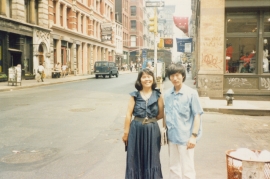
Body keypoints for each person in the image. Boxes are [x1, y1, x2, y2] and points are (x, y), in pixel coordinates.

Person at [122, 68, 164, 179]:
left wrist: (150, 120)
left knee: (153, 158)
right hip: (136, 130)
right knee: (134, 158)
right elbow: (128, 115)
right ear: (140, 80)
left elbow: (161, 114)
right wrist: (126, 132)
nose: (147, 79)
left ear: (153, 79)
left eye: (149, 76)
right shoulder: (134, 96)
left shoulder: (158, 95)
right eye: (144, 77)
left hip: (152, 131)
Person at [164, 64, 203, 179]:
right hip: (172, 137)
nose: (175, 78)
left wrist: (193, 136)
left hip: (186, 138)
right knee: (173, 167)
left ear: (183, 76)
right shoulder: (167, 94)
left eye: (177, 75)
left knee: (188, 169)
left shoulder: (191, 93)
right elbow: (166, 114)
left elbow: (197, 115)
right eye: (172, 76)